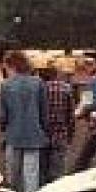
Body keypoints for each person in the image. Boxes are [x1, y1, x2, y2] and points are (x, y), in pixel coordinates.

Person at [0, 50, 49, 192]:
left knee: (13, 176)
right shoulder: (38, 83)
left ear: (11, 65)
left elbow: (2, 115)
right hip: (35, 135)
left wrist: (4, 129)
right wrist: (43, 130)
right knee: (31, 176)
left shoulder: (6, 85)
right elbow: (44, 112)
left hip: (13, 136)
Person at [38, 54, 76, 185]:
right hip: (60, 134)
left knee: (42, 171)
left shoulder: (39, 89)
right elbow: (70, 116)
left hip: (43, 136)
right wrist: (70, 135)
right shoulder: (66, 88)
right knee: (58, 172)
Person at [71, 47, 96, 172]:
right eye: (85, 63)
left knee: (82, 163)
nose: (86, 67)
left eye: (89, 63)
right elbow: (87, 101)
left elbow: (94, 103)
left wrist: (80, 112)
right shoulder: (94, 82)